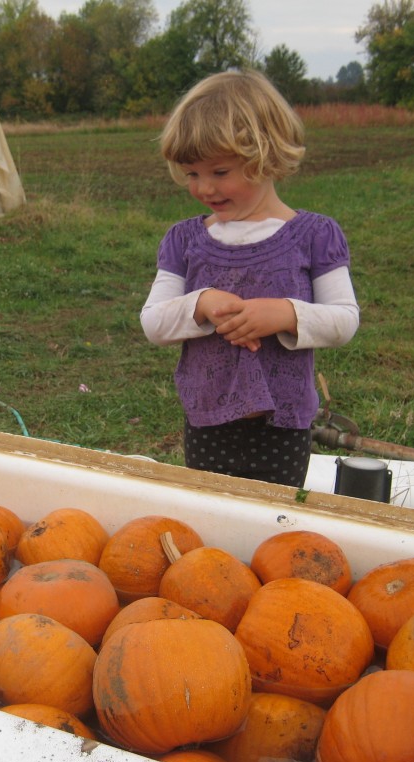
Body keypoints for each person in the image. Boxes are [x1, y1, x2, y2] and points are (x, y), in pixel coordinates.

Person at [140, 69, 359, 487]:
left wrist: (285, 314)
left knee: (274, 527)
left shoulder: (315, 235)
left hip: (284, 425)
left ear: (265, 155)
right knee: (213, 525)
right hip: (208, 423)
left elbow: (344, 319)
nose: (204, 187)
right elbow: (153, 322)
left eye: (219, 172)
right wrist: (199, 303)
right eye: (191, 173)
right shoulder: (184, 239)